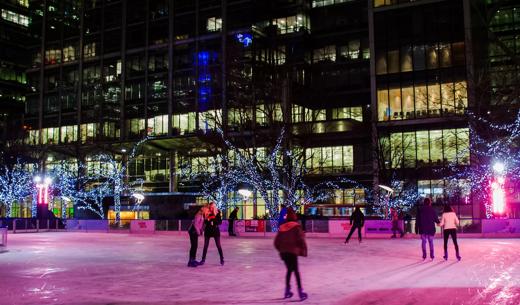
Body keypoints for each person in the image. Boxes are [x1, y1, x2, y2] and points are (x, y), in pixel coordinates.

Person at [274, 208, 308, 301]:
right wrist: (303, 250)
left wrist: (281, 250)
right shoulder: (296, 226)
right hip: (292, 252)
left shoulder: (282, 227)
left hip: (284, 253)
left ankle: (287, 290)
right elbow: (301, 239)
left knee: (289, 270)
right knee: (296, 271)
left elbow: (276, 242)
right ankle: (300, 292)